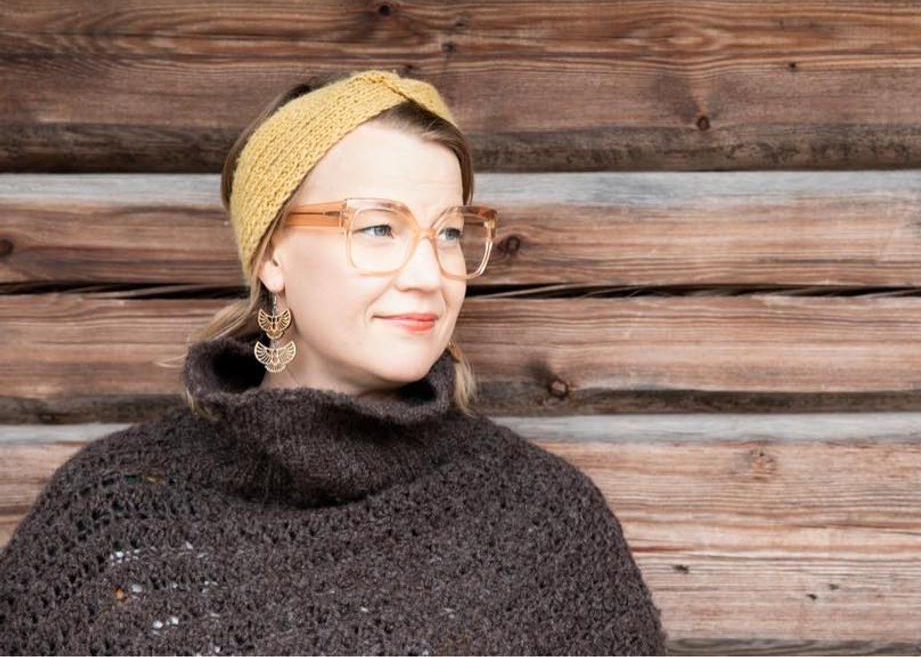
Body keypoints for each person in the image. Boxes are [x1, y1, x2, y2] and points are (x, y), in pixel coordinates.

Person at [0, 69, 668, 655]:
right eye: (378, 227)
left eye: (448, 232)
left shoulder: (541, 520)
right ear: (272, 254)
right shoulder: (115, 514)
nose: (428, 274)